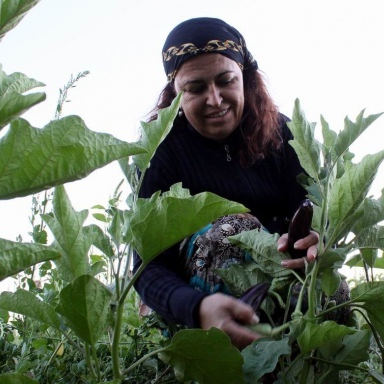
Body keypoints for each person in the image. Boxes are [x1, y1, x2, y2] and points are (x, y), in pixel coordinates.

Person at [133, 17, 320, 349]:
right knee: (232, 231)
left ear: (245, 79)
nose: (215, 100)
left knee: (334, 292)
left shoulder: (284, 135)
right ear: (175, 94)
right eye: (196, 88)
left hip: (281, 277)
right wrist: (196, 308)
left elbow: (309, 208)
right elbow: (146, 268)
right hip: (194, 310)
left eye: (226, 81)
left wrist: (317, 236)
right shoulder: (159, 153)